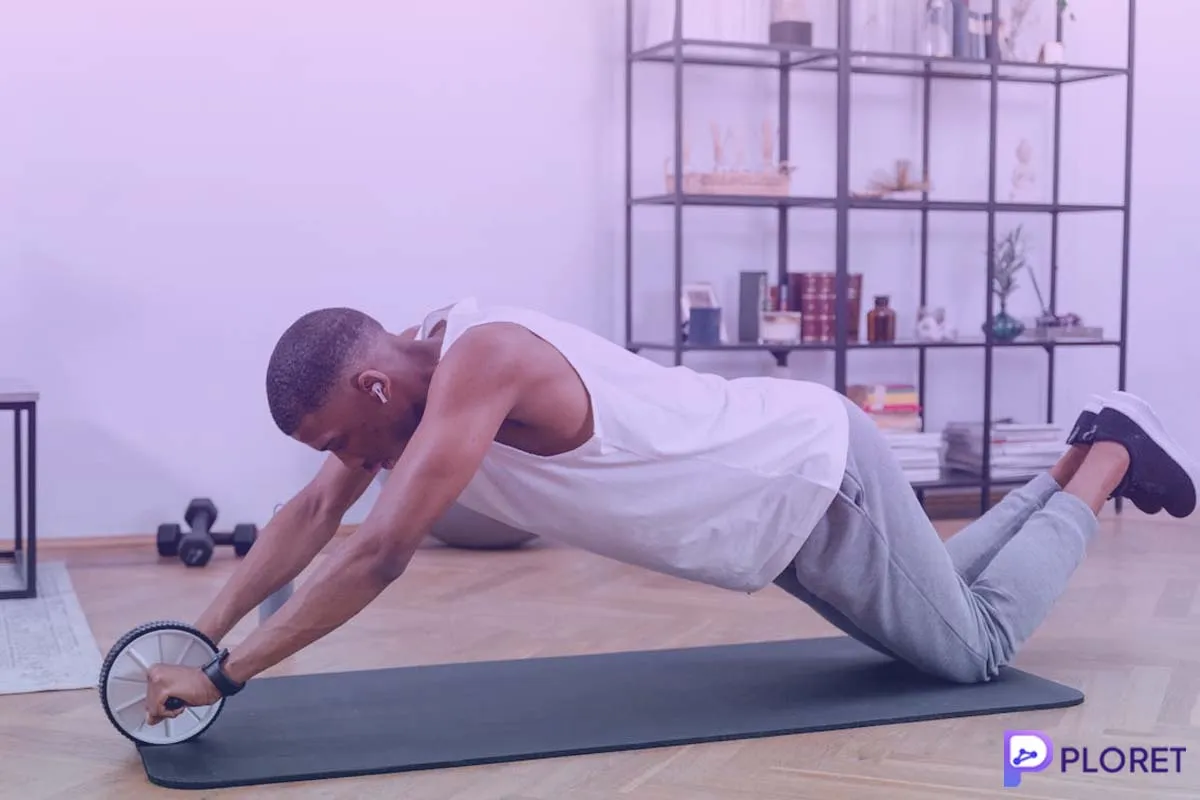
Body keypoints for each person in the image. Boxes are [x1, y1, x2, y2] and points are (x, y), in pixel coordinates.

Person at [144, 298, 1198, 724]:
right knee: (952, 601)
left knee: (974, 651)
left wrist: (228, 673)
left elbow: (377, 554)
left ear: (373, 387)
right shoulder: (411, 382)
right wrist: (197, 631)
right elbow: (308, 514)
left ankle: (1109, 454)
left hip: (801, 480)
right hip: (774, 503)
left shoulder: (483, 361)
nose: (346, 460)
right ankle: (1085, 442)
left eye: (339, 434)